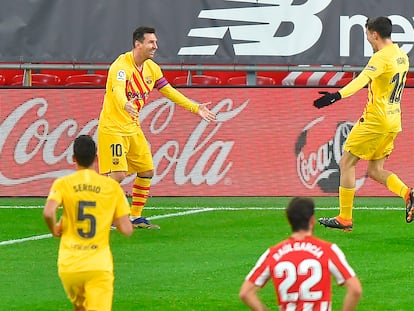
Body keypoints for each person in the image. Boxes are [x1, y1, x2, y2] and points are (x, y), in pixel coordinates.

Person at [97, 26, 217, 229]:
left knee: (146, 171)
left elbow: (168, 91)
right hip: (113, 128)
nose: (155, 46)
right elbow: (118, 89)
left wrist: (195, 107)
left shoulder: (152, 68)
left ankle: (135, 216)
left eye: (155, 42)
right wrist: (125, 103)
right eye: (151, 42)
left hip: (133, 128)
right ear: (138, 44)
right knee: (117, 175)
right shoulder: (120, 66)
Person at [313, 16, 414, 231]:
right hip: (394, 119)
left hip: (375, 120)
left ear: (374, 34)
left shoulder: (381, 58)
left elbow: (361, 80)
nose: (367, 38)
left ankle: (345, 218)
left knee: (346, 163)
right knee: (376, 170)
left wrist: (336, 96)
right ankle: (408, 194)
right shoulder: (401, 55)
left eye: (367, 33)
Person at [43, 135, 133, 311]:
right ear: (97, 158)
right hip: (98, 266)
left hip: (69, 266)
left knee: (80, 308)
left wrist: (54, 229)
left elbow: (48, 212)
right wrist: (110, 215)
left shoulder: (63, 184)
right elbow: (126, 229)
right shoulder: (112, 187)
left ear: (74, 159)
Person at [239, 197, 362, 311]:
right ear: (312, 220)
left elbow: (246, 293)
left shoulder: (273, 253)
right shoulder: (327, 250)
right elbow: (355, 290)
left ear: (289, 221)